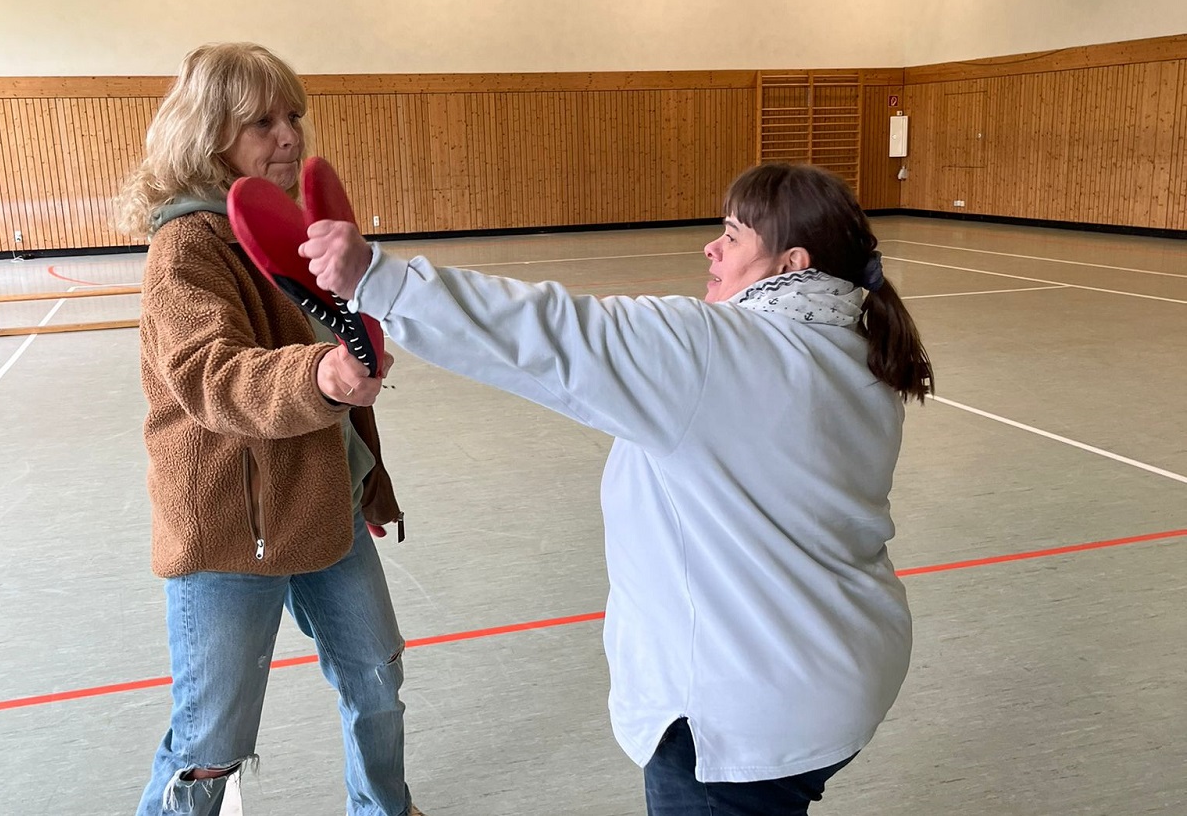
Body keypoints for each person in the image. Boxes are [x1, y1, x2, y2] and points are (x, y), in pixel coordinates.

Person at [301, 161, 933, 815]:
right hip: (843, 677)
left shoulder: (718, 350)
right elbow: (570, 377)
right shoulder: (861, 353)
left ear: (789, 263)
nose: (711, 247)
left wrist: (380, 281)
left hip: (742, 717)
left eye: (733, 235)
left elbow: (555, 335)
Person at [116, 42, 424, 816]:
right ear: (208, 134)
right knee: (210, 743)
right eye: (261, 121)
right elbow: (209, 376)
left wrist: (369, 479)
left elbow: (348, 366)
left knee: (377, 682)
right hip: (232, 532)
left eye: (293, 116)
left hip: (326, 504)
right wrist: (318, 376)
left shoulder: (291, 233)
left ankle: (384, 809)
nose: (288, 135)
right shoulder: (186, 248)